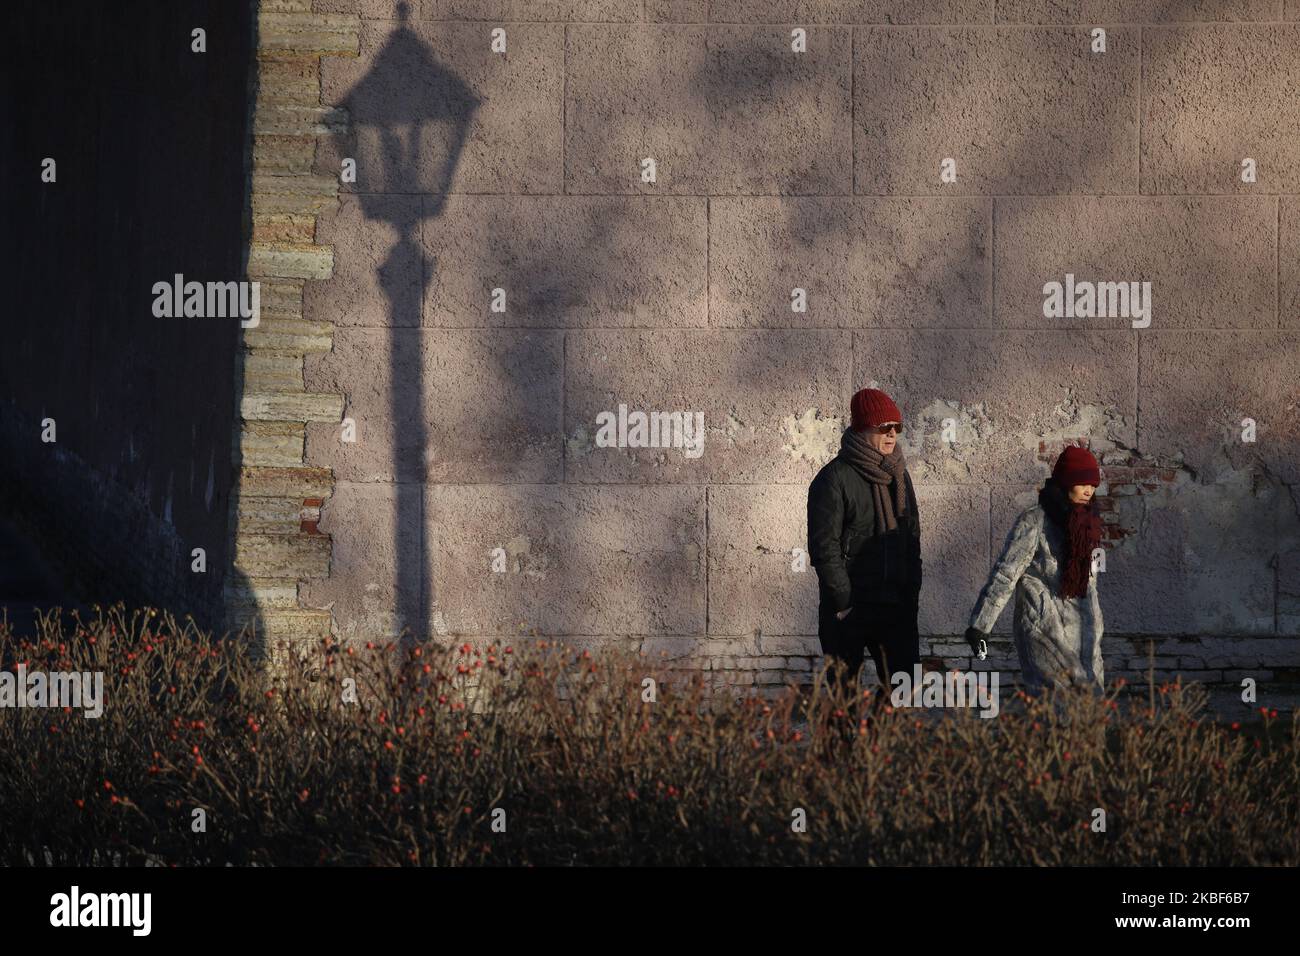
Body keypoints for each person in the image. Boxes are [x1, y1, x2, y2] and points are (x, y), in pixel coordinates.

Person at [807, 388, 922, 734]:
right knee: (842, 698)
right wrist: (843, 604)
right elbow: (824, 548)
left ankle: (873, 756)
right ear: (861, 429)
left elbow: (912, 539)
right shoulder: (833, 479)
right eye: (883, 426)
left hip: (894, 607)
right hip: (850, 609)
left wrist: (911, 596)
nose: (891, 434)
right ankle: (836, 773)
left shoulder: (898, 477)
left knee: (904, 687)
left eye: (896, 428)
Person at [964, 445, 1105, 696]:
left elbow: (1093, 578)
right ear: (1066, 481)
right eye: (1082, 482)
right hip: (1044, 625)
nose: (1088, 490)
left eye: (1093, 484)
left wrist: (1096, 623)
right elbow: (1006, 572)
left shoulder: (1090, 524)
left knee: (1090, 707)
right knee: (1056, 707)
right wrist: (980, 625)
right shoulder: (1035, 520)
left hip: (1084, 627)